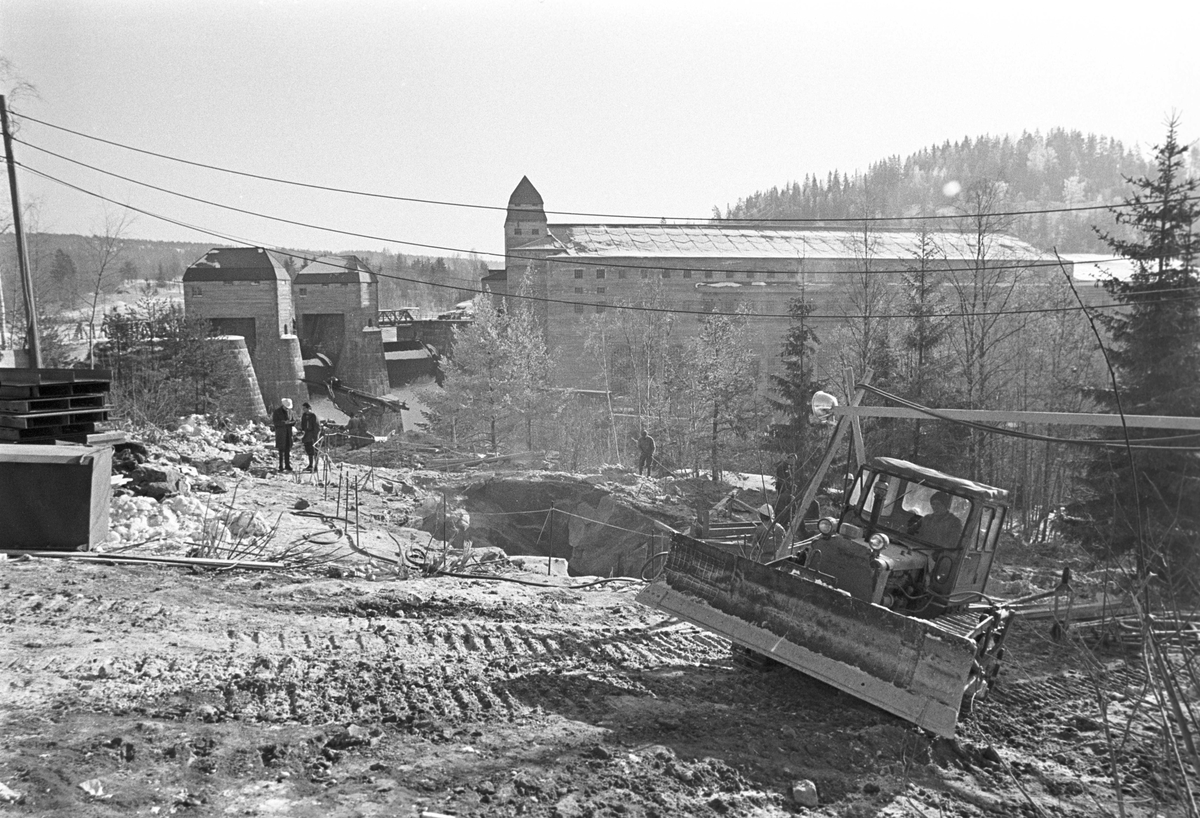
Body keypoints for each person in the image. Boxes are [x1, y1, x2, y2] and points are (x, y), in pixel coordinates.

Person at [271, 397, 296, 472]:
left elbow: (294, 421)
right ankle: (281, 466)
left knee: (288, 449)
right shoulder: (277, 412)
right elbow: (275, 423)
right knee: (281, 450)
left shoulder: (291, 412)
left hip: (288, 433)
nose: (287, 409)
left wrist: (291, 423)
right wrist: (284, 423)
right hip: (281, 433)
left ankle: (287, 465)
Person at [299, 402, 320, 471]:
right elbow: (303, 425)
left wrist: (315, 437)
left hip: (313, 436)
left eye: (304, 408)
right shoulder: (304, 416)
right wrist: (302, 431)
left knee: (315, 451)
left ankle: (316, 466)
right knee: (309, 450)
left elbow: (317, 427)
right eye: (303, 409)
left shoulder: (313, 416)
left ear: (308, 408)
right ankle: (310, 465)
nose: (303, 410)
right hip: (306, 435)